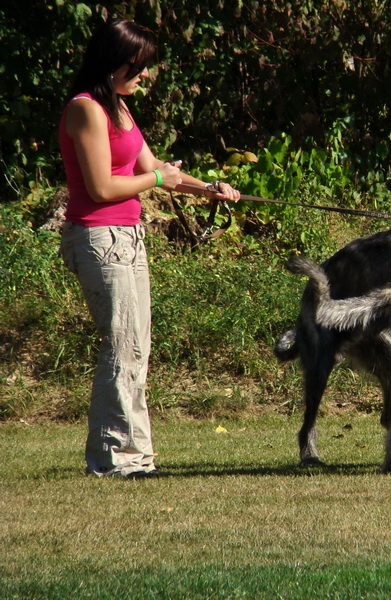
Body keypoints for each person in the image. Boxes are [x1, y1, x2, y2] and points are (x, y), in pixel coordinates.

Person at [58, 18, 240, 478]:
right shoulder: (86, 109)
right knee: (120, 347)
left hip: (129, 237)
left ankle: (137, 458)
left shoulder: (118, 107)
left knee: (137, 348)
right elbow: (101, 187)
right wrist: (160, 180)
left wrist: (206, 188)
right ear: (113, 64)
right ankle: (112, 460)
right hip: (99, 238)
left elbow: (151, 165)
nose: (144, 76)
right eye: (137, 68)